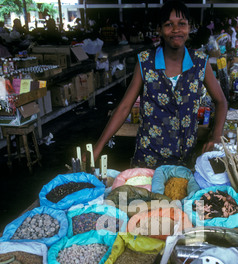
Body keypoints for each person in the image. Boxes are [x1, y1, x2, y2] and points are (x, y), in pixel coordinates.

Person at [93, 0, 227, 168]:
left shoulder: (200, 63)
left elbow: (221, 101)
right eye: (168, 24)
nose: (176, 29)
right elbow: (124, 108)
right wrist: (97, 149)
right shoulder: (145, 62)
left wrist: (216, 135)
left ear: (190, 27)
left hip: (184, 162)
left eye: (182, 24)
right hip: (148, 160)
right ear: (159, 30)